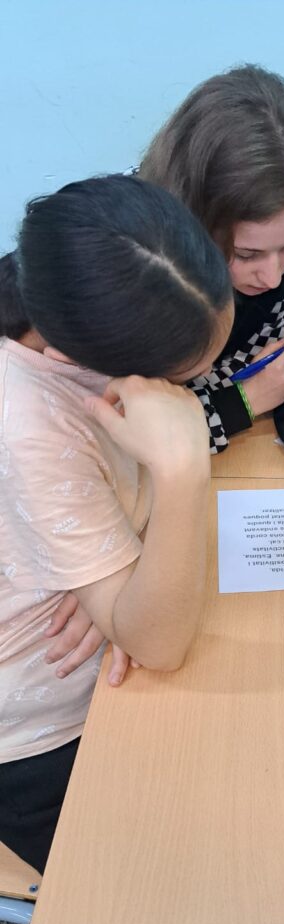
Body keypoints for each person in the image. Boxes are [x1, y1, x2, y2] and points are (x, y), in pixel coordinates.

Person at [0, 175, 233, 872]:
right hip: (45, 729)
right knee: (146, 889)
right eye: (175, 383)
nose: (186, 395)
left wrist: (119, 565)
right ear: (75, 360)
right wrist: (183, 471)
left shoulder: (70, 292)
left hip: (106, 644)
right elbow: (156, 644)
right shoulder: (31, 424)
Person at [139, 63, 284, 483]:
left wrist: (247, 388)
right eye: (246, 253)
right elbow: (129, 436)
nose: (273, 278)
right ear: (191, 223)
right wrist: (245, 400)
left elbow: (245, 365)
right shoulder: (126, 264)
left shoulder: (271, 253)